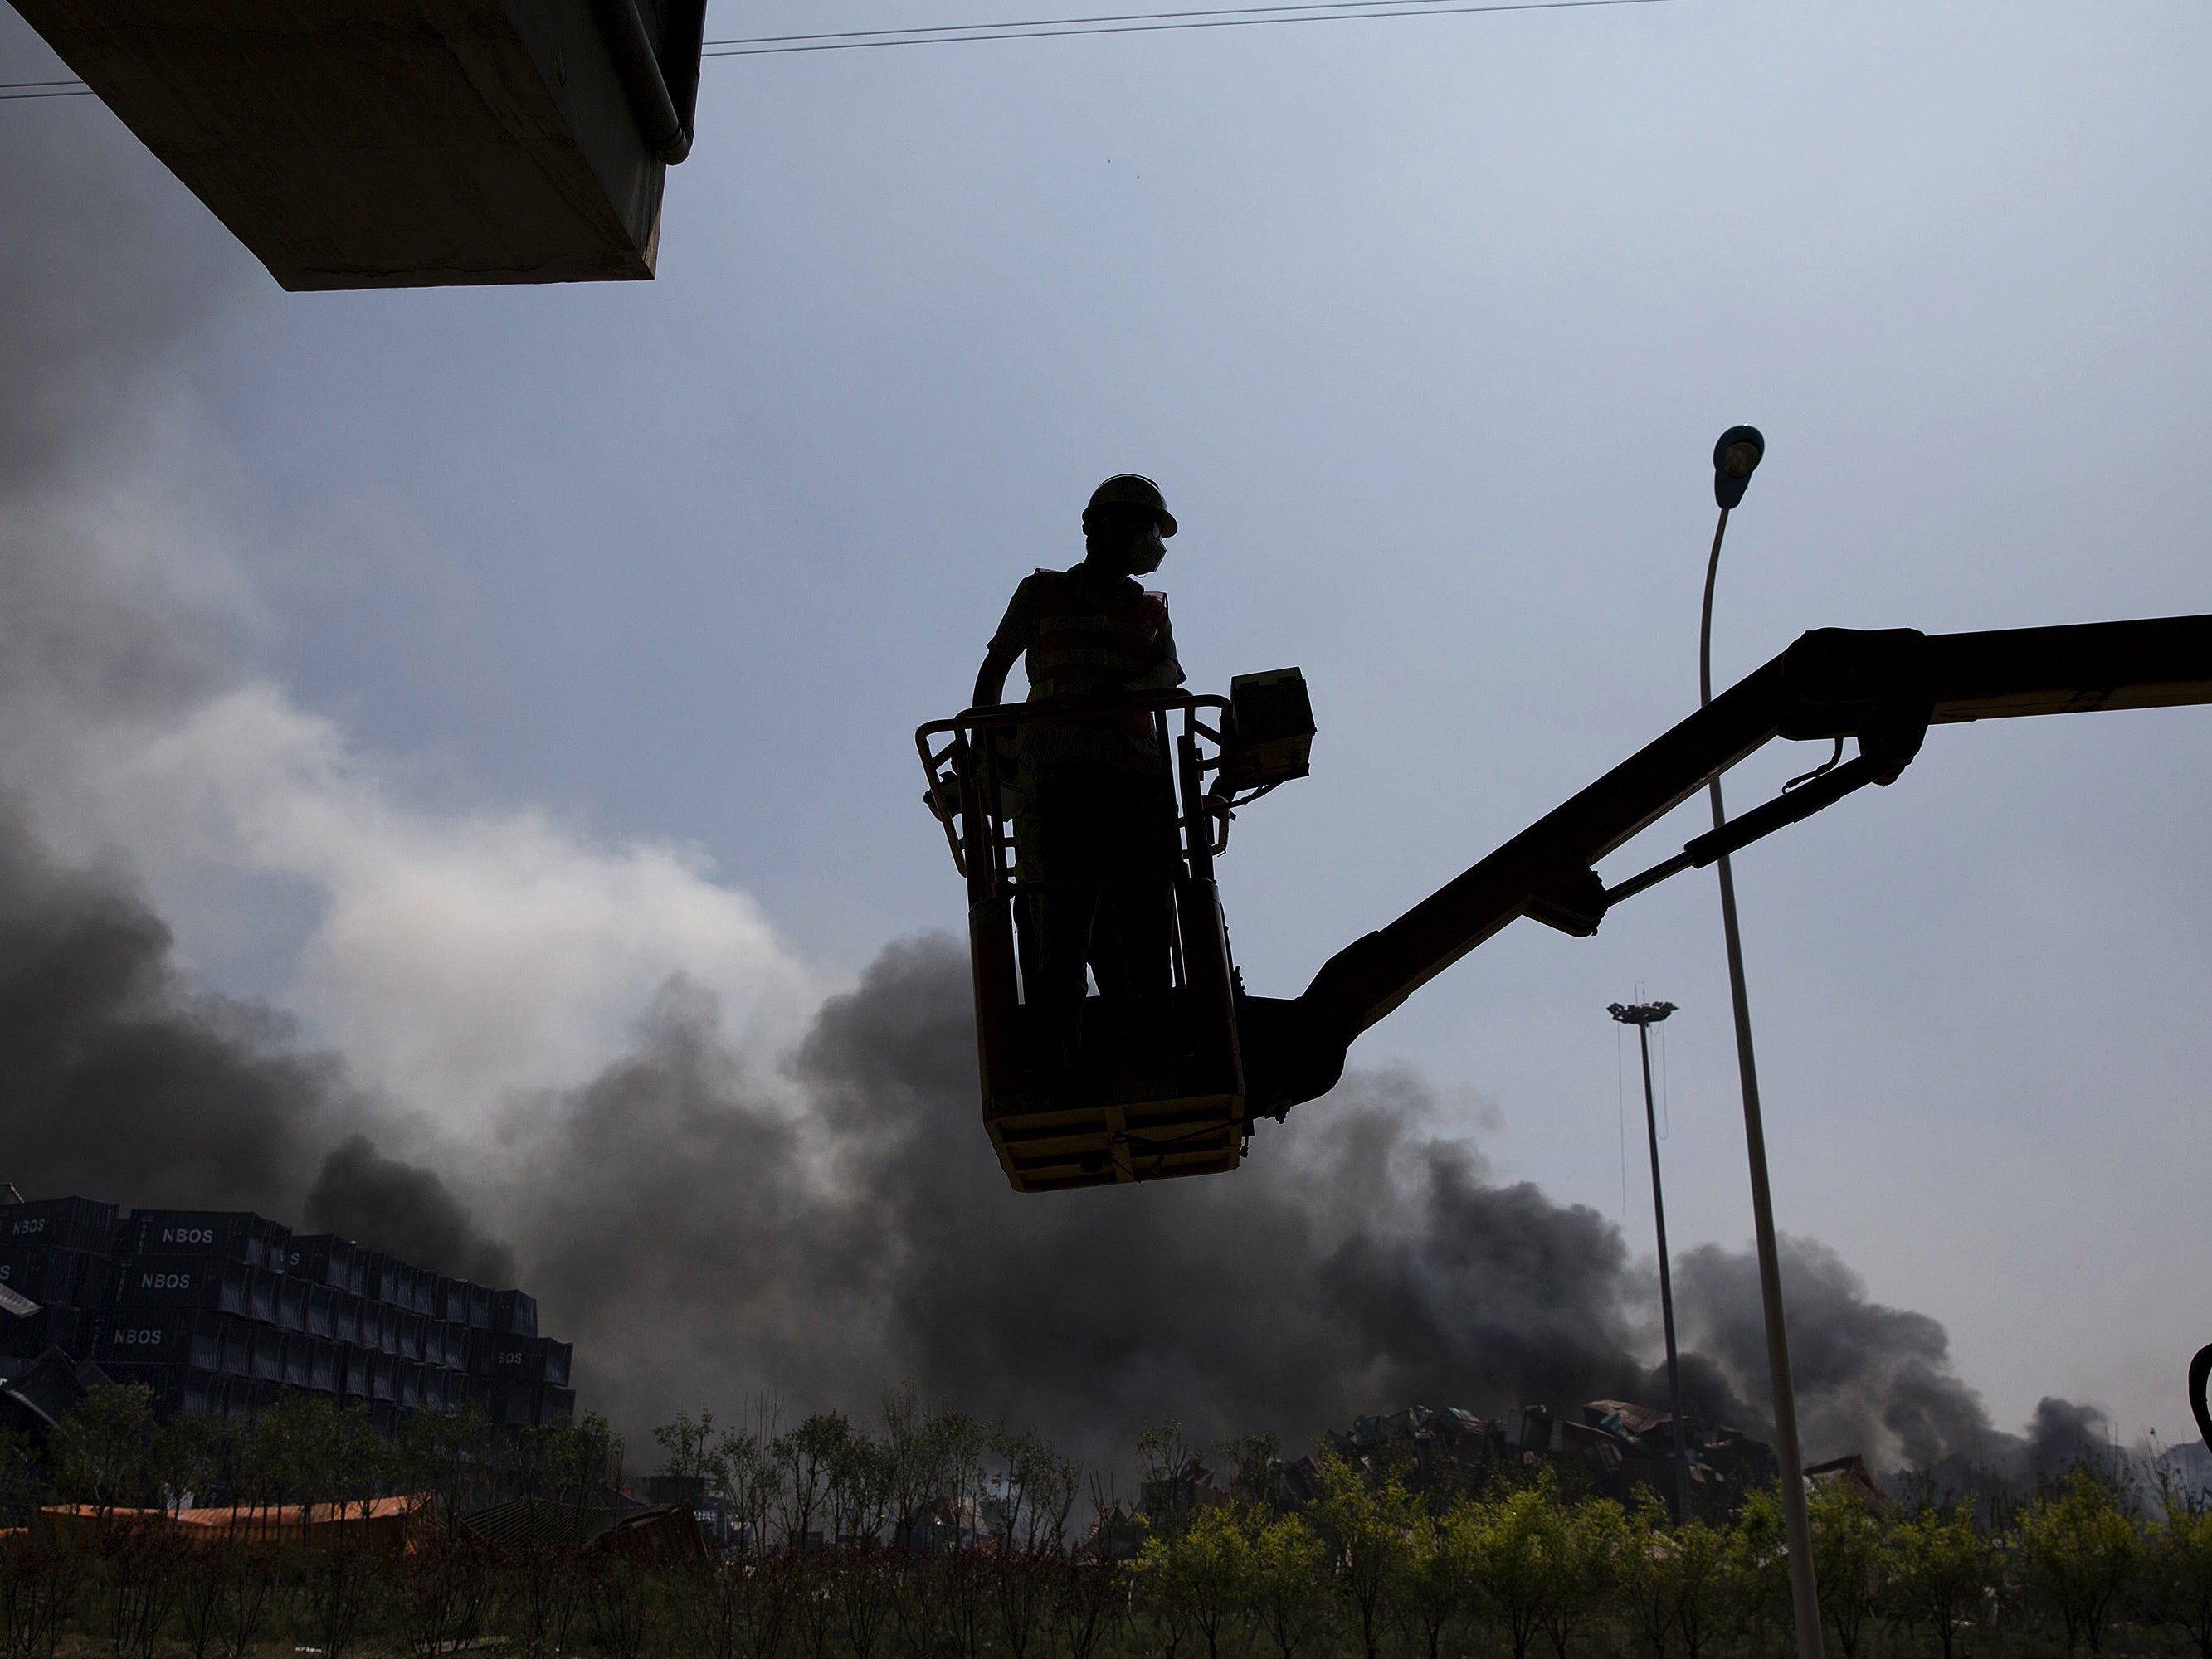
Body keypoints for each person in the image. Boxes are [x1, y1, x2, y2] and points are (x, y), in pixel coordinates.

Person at [972, 474, 1187, 1068]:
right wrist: (984, 748)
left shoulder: (1151, 609)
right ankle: (1058, 1065)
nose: (1154, 544)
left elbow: (1170, 672)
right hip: (1061, 783)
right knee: (1059, 939)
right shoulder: (1041, 594)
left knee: (1145, 936)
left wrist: (1131, 688)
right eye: (1147, 529)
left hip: (1134, 785)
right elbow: (996, 669)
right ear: (1101, 528)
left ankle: (1150, 1059)